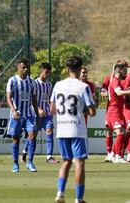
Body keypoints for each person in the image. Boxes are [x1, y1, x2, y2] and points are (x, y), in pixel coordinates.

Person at [51, 56, 96, 203]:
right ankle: (79, 198)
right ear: (80, 68)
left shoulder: (58, 85)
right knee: (79, 163)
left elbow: (52, 109)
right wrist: (82, 109)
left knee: (66, 161)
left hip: (62, 128)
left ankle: (60, 193)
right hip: (76, 129)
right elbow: (92, 111)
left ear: (67, 68)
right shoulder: (83, 87)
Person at [21, 62, 59, 164]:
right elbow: (30, 99)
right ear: (41, 71)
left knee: (49, 131)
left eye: (49, 73)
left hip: (46, 113)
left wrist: (53, 109)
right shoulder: (34, 83)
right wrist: (38, 109)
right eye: (46, 72)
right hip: (35, 113)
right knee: (33, 135)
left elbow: (50, 99)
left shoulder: (49, 85)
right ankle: (25, 152)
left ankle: (49, 157)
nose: (48, 74)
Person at [6, 58, 39, 172]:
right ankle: (15, 164)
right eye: (23, 67)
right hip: (17, 115)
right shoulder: (12, 81)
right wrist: (14, 111)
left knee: (32, 135)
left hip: (29, 114)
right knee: (16, 139)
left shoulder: (32, 82)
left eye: (26, 67)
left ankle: (30, 162)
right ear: (18, 68)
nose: (25, 69)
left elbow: (34, 100)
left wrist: (37, 114)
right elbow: (8, 97)